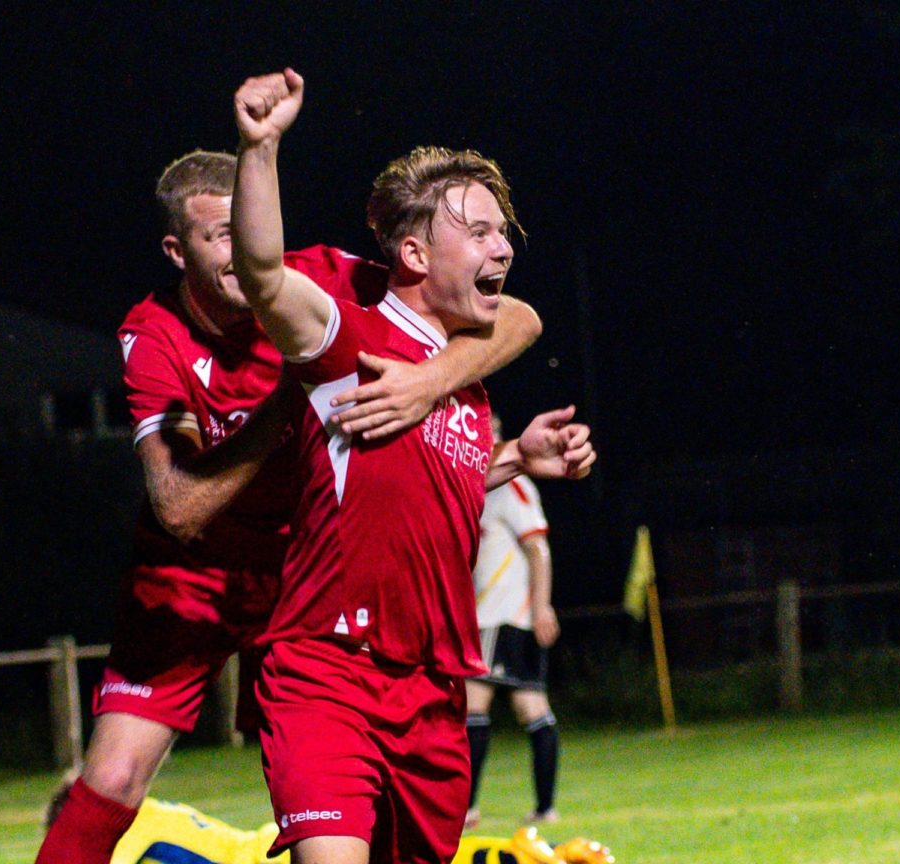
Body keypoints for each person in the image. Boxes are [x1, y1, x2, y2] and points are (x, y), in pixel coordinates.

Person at [34, 150, 543, 864]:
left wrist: (427, 383)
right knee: (115, 773)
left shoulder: (325, 275)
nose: (236, 252)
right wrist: (290, 406)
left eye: (241, 229)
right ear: (177, 252)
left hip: (306, 560)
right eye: (217, 237)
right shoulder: (156, 336)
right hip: (198, 574)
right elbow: (179, 507)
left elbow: (513, 317)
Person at [230, 68, 596, 864]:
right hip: (329, 670)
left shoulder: (463, 384)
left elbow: (420, 485)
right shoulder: (348, 342)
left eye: (503, 231)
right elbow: (262, 275)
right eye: (480, 231)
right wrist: (259, 149)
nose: (504, 247)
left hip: (434, 693)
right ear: (414, 253)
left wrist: (513, 458)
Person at [464, 414, 561, 829]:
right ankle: (544, 808)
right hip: (497, 617)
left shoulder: (512, 487)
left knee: (471, 706)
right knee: (531, 707)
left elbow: (538, 549)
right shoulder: (473, 487)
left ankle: (466, 808)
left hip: (499, 617)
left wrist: (542, 607)